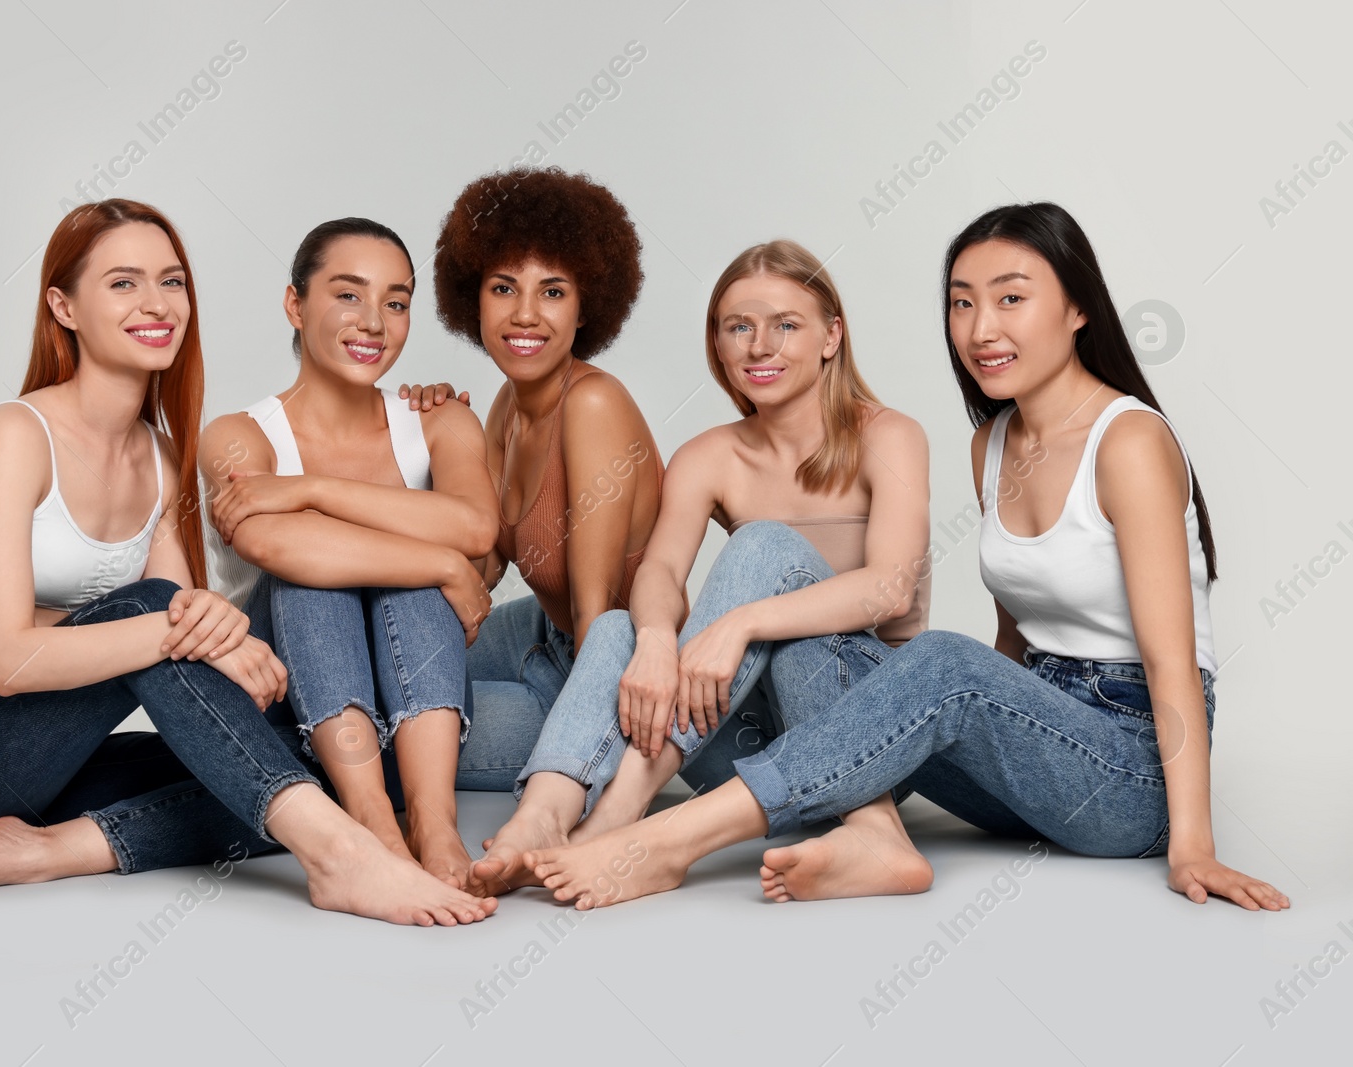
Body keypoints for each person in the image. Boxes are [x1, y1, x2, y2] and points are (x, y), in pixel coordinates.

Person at [518, 202, 1291, 914]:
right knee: (795, 632)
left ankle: (667, 839)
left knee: (939, 659)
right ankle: (870, 835)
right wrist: (986, 713)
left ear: (1079, 307)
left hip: (1131, 768)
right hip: (1036, 747)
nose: (981, 326)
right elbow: (1014, 643)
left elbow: (1171, 660)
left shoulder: (1129, 441)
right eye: (962, 302)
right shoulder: (993, 443)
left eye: (1010, 298)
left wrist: (1190, 842)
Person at [0, 199, 493, 926]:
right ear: (63, 306)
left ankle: (50, 850)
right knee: (159, 610)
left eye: (172, 282)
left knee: (300, 765)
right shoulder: (13, 434)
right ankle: (339, 856)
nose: (157, 304)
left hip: (45, 759)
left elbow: (196, 643)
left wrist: (213, 635)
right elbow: (9, 659)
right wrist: (199, 627)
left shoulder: (161, 459)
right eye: (124, 284)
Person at [471, 239, 931, 891]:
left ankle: (618, 817)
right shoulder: (709, 455)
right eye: (738, 327)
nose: (759, 346)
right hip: (737, 744)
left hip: (863, 740)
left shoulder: (890, 436)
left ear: (831, 336)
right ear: (718, 344)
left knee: (764, 546)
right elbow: (659, 571)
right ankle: (544, 814)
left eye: (785, 325)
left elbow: (890, 588)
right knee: (620, 626)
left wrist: (742, 623)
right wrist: (659, 641)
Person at [200, 217, 502, 889]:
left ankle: (434, 822)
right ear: (295, 304)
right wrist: (445, 564)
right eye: (347, 294)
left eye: (396, 302)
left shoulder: (441, 420)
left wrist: (308, 487)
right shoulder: (238, 434)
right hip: (283, 713)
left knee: (402, 575)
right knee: (309, 577)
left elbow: (477, 528)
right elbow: (268, 539)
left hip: (417, 722)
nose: (374, 321)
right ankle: (372, 823)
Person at [407, 167, 668, 895]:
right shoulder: (502, 406)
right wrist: (435, 433)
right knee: (407, 653)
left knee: (395, 739)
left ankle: (547, 807)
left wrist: (585, 751)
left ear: (588, 305)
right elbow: (474, 570)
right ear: (472, 300)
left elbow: (598, 616)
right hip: (536, 639)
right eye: (502, 288)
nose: (525, 314)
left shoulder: (594, 406)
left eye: (552, 290)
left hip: (605, 674)